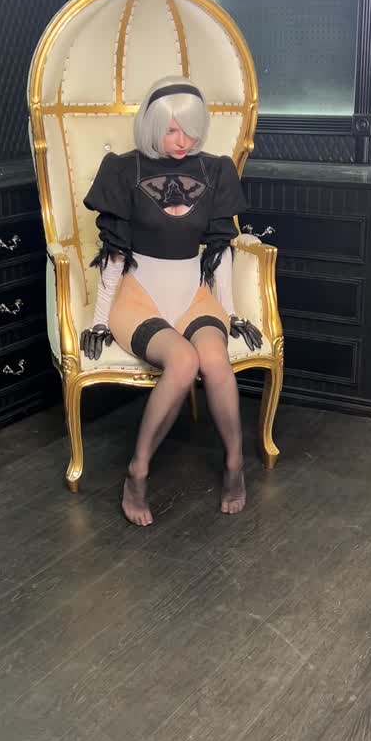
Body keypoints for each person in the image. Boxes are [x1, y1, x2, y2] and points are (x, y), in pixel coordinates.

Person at [81, 76, 262, 527]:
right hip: (139, 297)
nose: (184, 141)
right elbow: (114, 255)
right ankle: (138, 472)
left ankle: (235, 464)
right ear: (152, 126)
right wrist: (100, 320)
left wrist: (231, 312)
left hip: (193, 294)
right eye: (172, 130)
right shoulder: (123, 170)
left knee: (215, 362)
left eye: (191, 130)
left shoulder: (216, 171)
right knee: (182, 363)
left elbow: (219, 252)